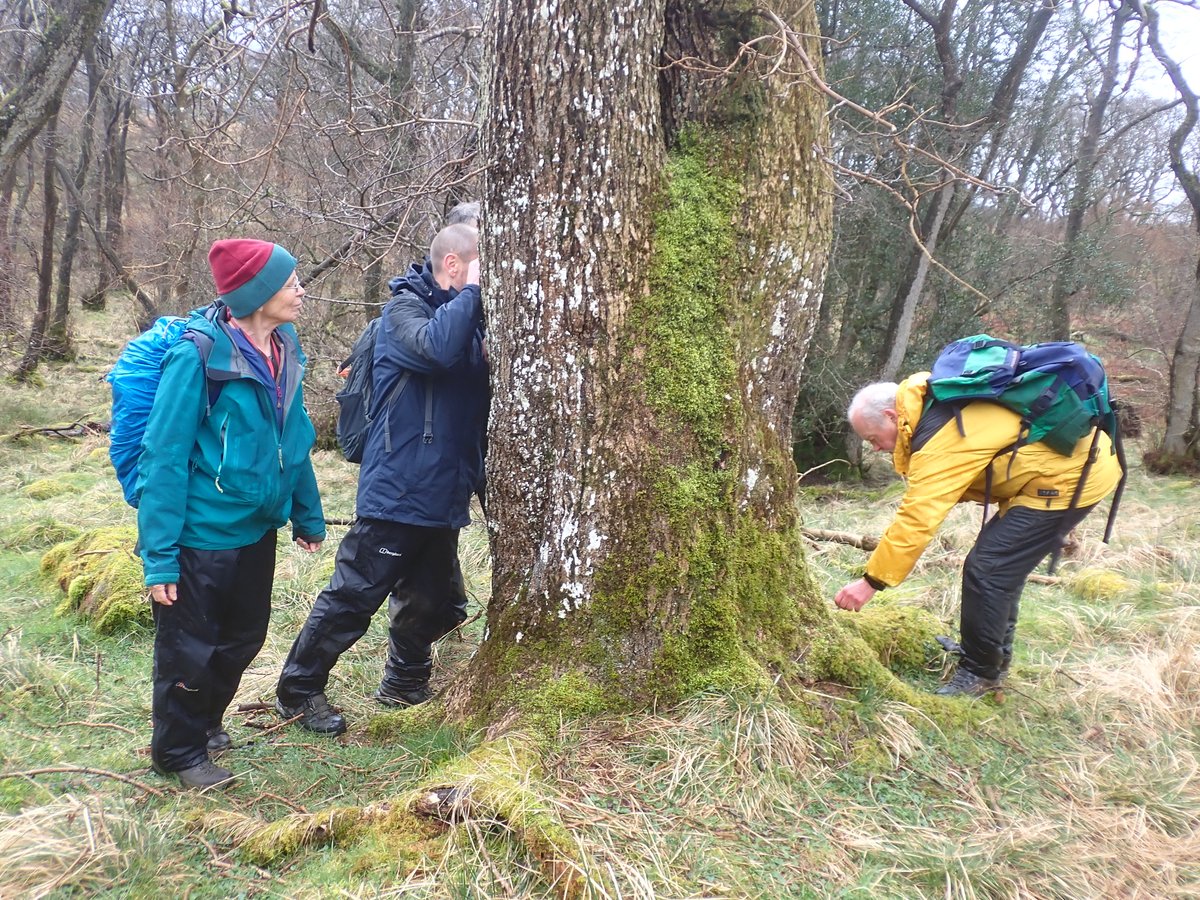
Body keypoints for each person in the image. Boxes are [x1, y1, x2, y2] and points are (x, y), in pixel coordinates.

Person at [275, 223, 488, 735]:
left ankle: (405, 681)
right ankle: (299, 689)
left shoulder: (471, 315)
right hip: (398, 487)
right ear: (454, 265)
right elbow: (436, 349)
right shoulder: (403, 312)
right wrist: (477, 290)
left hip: (443, 487)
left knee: (428, 597)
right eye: (482, 261)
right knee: (353, 596)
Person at [138, 239, 326, 789]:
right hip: (200, 532)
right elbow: (164, 456)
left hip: (256, 527)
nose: (300, 291)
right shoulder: (198, 356)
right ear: (259, 293)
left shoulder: (284, 345)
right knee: (188, 649)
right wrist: (160, 559)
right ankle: (177, 751)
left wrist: (307, 515)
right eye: (290, 283)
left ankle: (203, 724)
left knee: (244, 636)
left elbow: (295, 436)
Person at [834, 374, 1122, 697]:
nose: (874, 447)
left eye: (873, 438)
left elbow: (917, 518)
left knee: (988, 569)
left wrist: (871, 581)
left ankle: (979, 673)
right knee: (997, 569)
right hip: (1058, 472)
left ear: (891, 416)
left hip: (1069, 479)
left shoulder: (940, 436)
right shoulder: (936, 405)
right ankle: (991, 660)